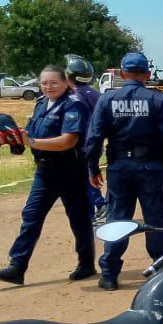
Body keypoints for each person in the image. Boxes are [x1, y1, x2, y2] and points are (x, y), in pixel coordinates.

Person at [85, 52, 163, 291]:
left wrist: (92, 166)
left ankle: (109, 274)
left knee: (118, 219)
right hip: (151, 168)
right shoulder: (157, 100)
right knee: (156, 219)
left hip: (119, 168)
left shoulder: (107, 100)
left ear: (121, 74)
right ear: (148, 75)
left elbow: (94, 137)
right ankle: (161, 271)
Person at [0, 65, 96, 285]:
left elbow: (68, 140)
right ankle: (17, 267)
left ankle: (86, 264)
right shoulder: (40, 104)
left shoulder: (74, 106)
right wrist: (18, 138)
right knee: (31, 216)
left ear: (65, 83)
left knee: (78, 218)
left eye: (54, 82)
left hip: (70, 171)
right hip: (44, 172)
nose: (48, 87)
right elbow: (31, 133)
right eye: (44, 83)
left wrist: (32, 142)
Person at [65, 54, 108, 224]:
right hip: (95, 143)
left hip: (78, 144)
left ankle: (91, 213)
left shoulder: (72, 96)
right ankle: (100, 205)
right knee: (89, 175)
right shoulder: (97, 94)